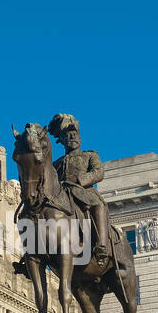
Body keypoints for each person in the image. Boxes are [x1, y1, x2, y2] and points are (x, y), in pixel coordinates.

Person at [46, 113, 112, 268]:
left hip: (84, 192)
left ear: (80, 137)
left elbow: (98, 172)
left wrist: (81, 180)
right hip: (63, 195)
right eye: (67, 136)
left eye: (74, 134)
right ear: (61, 141)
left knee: (99, 206)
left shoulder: (90, 155)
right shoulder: (56, 164)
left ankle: (101, 245)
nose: (72, 137)